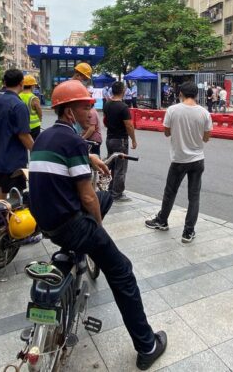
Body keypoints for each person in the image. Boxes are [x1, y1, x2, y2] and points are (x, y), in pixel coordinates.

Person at [28, 80, 167, 370]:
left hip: (46, 224)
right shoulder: (74, 141)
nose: (90, 111)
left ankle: (80, 257)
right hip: (72, 225)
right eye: (85, 106)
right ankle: (146, 345)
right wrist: (98, 230)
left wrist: (89, 156)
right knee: (122, 271)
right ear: (68, 112)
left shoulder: (44, 138)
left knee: (105, 198)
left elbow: (66, 167)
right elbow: (88, 196)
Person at [145, 81, 212, 243]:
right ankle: (188, 232)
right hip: (197, 159)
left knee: (170, 192)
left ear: (180, 93)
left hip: (179, 160)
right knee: (194, 197)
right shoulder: (204, 113)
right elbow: (206, 138)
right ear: (196, 94)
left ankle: (162, 220)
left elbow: (166, 133)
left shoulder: (172, 110)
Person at [0, 69, 34, 200]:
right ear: (21, 83)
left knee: (2, 190)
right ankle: (9, 220)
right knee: (16, 194)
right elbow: (23, 135)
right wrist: (37, 151)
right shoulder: (18, 105)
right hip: (12, 160)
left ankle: (1, 219)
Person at [103, 81, 137, 202]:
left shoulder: (107, 104)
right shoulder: (123, 107)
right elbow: (129, 125)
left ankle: (111, 189)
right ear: (123, 91)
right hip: (120, 140)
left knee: (111, 164)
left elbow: (105, 121)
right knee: (120, 168)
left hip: (109, 138)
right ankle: (117, 194)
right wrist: (133, 140)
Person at [71, 66, 103, 155]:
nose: (89, 115)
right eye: (83, 79)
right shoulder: (76, 87)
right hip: (75, 126)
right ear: (78, 75)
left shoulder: (69, 85)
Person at [20, 75, 43, 140]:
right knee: (34, 146)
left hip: (22, 125)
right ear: (32, 86)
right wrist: (40, 119)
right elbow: (39, 110)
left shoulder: (18, 96)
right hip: (34, 127)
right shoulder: (34, 98)